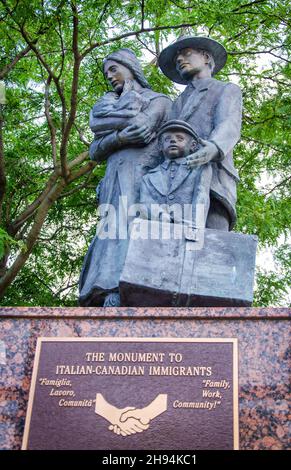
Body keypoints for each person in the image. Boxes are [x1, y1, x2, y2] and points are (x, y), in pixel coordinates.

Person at [79, 49, 171, 307]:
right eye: (106, 72)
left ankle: (136, 286)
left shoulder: (160, 101)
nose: (110, 76)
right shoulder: (107, 103)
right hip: (113, 180)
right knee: (112, 233)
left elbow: (141, 128)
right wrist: (118, 138)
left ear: (131, 67)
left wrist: (107, 125)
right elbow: (95, 150)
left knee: (136, 230)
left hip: (146, 179)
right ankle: (107, 287)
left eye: (113, 69)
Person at [158, 36, 242, 231]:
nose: (179, 60)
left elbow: (229, 124)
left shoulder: (226, 89)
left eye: (186, 54)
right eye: (176, 59)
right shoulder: (177, 103)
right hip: (177, 184)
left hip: (215, 179)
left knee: (214, 239)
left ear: (205, 57)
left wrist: (214, 147)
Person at [140, 120, 210, 227]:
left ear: (193, 145)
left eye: (180, 138)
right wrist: (164, 218)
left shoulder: (199, 169)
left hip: (188, 228)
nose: (173, 141)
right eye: (167, 139)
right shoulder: (149, 177)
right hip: (155, 230)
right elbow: (145, 203)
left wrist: (195, 226)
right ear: (160, 146)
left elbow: (201, 196)